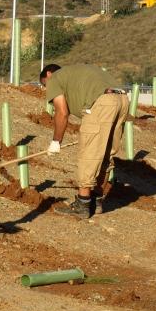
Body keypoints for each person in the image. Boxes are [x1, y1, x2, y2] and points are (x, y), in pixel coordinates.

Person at [41, 63, 129, 219]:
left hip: (102, 103)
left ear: (48, 74)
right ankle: (96, 201)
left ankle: (83, 204)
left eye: (44, 86)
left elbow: (62, 112)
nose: (47, 90)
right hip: (122, 100)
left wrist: (56, 141)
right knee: (105, 153)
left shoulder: (54, 78)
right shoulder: (76, 72)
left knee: (89, 154)